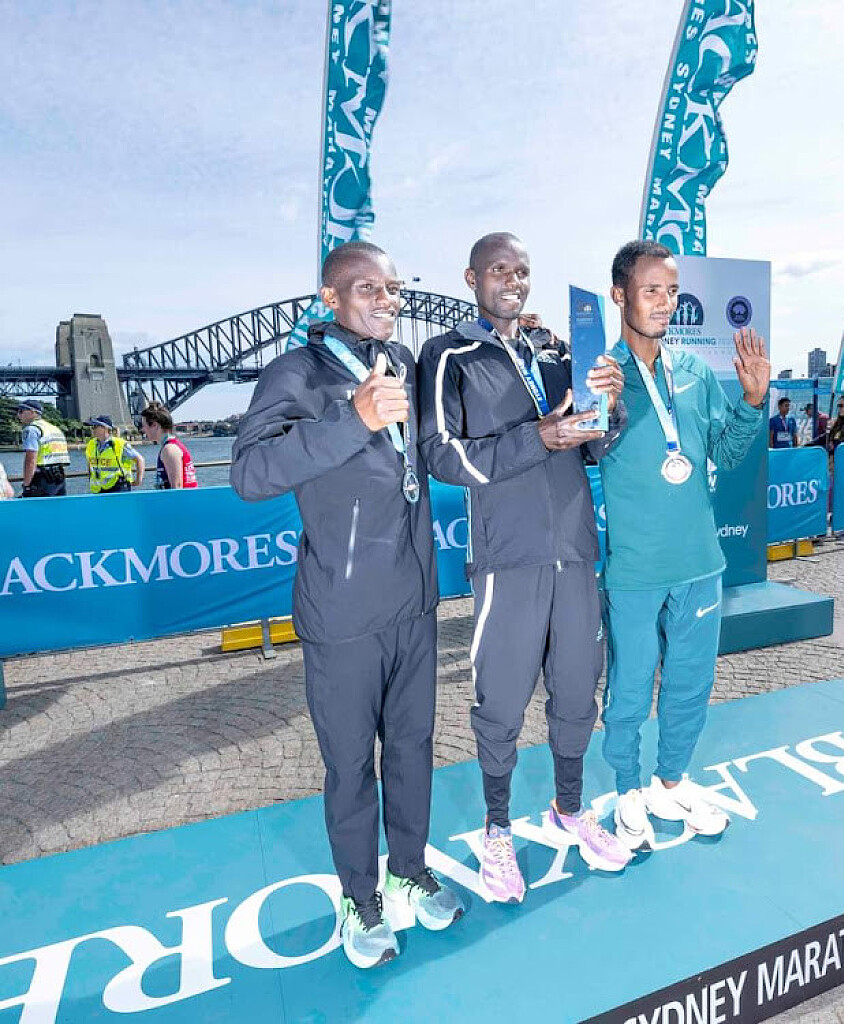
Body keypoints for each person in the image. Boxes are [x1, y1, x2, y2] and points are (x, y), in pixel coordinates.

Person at [231, 241, 465, 970]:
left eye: (393, 288)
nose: (386, 299)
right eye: (368, 288)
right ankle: (360, 898)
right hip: (341, 614)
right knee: (351, 767)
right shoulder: (296, 373)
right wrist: (351, 419)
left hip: (413, 604)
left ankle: (409, 871)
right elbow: (249, 474)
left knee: (414, 751)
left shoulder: (403, 363)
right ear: (330, 298)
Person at [417, 231, 631, 903]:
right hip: (507, 558)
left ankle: (569, 809)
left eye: (522, 270)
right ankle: (498, 828)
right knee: (502, 702)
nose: (513, 280)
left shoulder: (557, 351)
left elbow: (596, 444)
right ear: (472, 277)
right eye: (499, 269)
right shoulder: (447, 354)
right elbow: (441, 453)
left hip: (576, 550)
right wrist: (536, 437)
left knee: (577, 690)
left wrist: (611, 405)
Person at [595, 240, 769, 851]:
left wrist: (752, 402)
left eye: (672, 291)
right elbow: (583, 449)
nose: (665, 302)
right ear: (619, 295)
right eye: (651, 290)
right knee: (629, 688)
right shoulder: (603, 376)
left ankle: (672, 781)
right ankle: (627, 789)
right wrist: (601, 409)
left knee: (691, 683)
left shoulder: (693, 370)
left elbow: (724, 453)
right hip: (635, 569)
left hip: (700, 562)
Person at [16, 399, 70, 497]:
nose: (18, 415)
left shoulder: (32, 429)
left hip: (42, 478)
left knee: (32, 505)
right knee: (58, 506)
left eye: (21, 411)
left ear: (32, 412)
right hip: (59, 477)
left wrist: (26, 485)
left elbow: (31, 459)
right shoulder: (54, 428)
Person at [140, 404, 198, 489]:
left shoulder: (169, 449)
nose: (143, 429)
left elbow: (177, 487)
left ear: (155, 426)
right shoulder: (172, 446)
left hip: (183, 498)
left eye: (144, 426)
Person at [85, 415, 146, 493]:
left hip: (118, 487)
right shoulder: (91, 444)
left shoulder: (119, 444)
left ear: (105, 428)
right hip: (98, 489)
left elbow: (139, 459)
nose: (92, 429)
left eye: (95, 426)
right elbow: (90, 465)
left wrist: (138, 480)